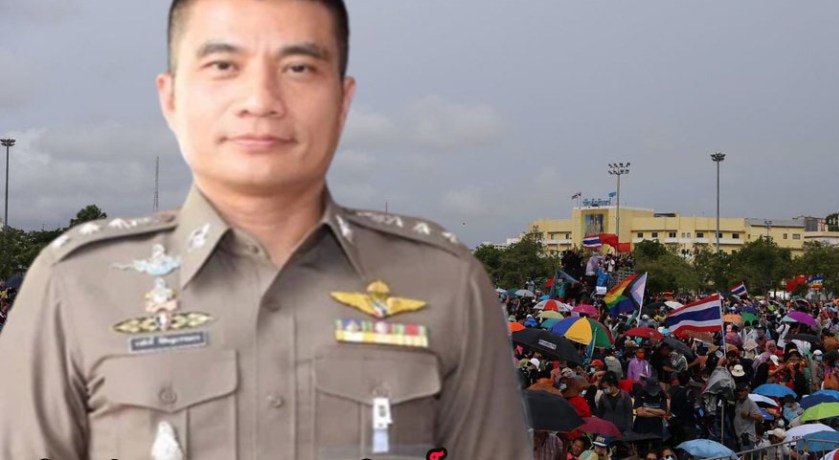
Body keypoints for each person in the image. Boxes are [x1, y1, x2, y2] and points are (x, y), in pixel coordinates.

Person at [0, 1, 532, 458]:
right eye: (223, 65)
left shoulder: (445, 283)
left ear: (343, 101)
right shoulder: (74, 285)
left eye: (299, 67)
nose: (260, 100)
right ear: (171, 98)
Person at [734, 384, 763, 451]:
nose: (740, 393)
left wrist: (748, 414)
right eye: (738, 391)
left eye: (742, 391)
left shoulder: (751, 403)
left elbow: (760, 418)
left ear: (747, 392)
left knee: (745, 455)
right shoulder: (738, 402)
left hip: (747, 438)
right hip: (739, 437)